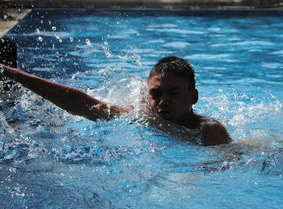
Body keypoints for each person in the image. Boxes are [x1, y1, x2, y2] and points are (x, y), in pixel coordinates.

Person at [0, 56, 231, 146]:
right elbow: (85, 106)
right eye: (156, 94)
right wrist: (14, 74)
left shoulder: (208, 131)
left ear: (193, 97)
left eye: (173, 93)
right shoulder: (144, 118)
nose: (163, 101)